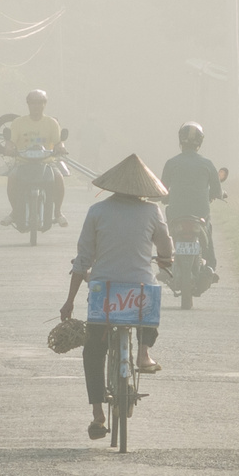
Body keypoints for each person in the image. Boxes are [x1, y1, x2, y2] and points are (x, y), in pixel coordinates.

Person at [59, 153, 173, 440]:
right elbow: (165, 245)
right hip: (139, 291)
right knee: (150, 298)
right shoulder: (152, 212)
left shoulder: (97, 211)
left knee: (94, 351)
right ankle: (144, 353)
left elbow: (82, 259)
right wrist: (165, 258)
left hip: (103, 293)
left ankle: (98, 415)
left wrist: (69, 300)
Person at [160, 121, 224, 274]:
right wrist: (213, 196)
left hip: (176, 213)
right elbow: (217, 191)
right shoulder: (207, 164)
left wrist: (165, 198)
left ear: (180, 140)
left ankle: (166, 260)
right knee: (207, 230)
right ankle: (210, 265)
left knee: (169, 229)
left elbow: (162, 190)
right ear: (200, 142)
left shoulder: (171, 163)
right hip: (200, 213)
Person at [0, 89, 67, 229]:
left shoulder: (52, 123)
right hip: (22, 163)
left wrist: (60, 147)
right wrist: (9, 148)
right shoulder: (18, 122)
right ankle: (15, 212)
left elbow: (58, 141)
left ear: (45, 104)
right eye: (33, 102)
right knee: (11, 178)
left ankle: (58, 212)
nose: (37, 105)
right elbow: (10, 141)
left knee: (59, 178)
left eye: (40, 102)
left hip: (46, 162)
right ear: (28, 104)